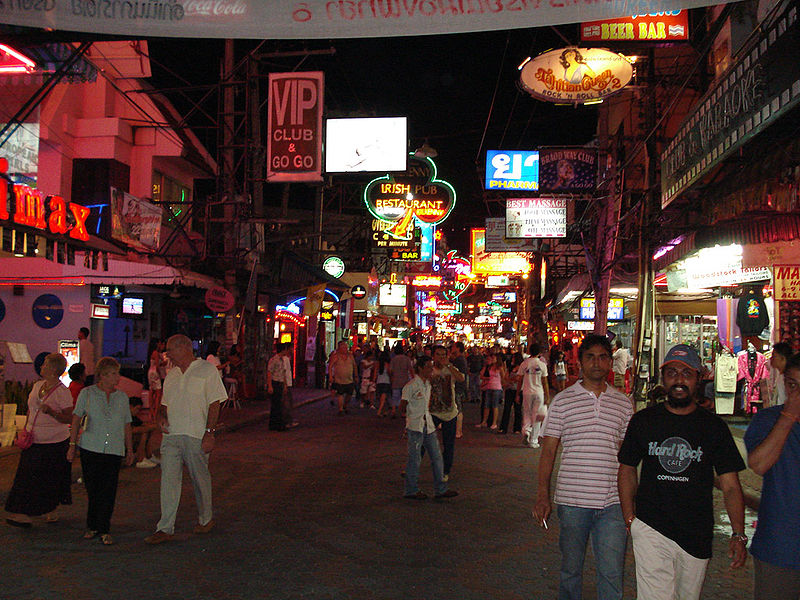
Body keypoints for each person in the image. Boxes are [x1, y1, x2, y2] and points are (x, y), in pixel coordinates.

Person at [618, 344, 747, 600]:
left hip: (696, 533)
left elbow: (731, 486)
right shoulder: (644, 421)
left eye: (686, 373)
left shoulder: (714, 428)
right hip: (651, 528)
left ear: (699, 378)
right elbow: (627, 468)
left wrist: (738, 533)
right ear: (663, 378)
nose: (679, 380)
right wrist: (630, 519)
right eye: (672, 373)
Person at [533, 335, 633, 600]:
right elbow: (549, 452)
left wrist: (630, 504)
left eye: (602, 357)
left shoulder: (623, 404)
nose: (597, 363)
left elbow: (627, 460)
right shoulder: (563, 402)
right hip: (572, 502)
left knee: (611, 575)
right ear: (580, 362)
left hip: (612, 504)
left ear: (610, 362)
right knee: (570, 572)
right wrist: (543, 495)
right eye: (590, 357)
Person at [145, 334, 227, 544]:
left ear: (184, 348)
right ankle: (165, 526)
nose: (168, 354)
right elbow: (164, 404)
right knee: (169, 479)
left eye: (170, 350)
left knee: (200, 478)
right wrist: (160, 417)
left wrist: (210, 432)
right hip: (172, 434)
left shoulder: (206, 370)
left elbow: (214, 403)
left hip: (196, 434)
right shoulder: (171, 375)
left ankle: (205, 518)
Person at [745, 352, 800, 599]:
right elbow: (758, 464)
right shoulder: (768, 420)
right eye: (792, 385)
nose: (797, 393)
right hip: (779, 549)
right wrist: (788, 416)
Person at [68, 357, 134, 545]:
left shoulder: (121, 397)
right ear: (103, 376)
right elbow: (76, 418)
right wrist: (72, 445)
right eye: (113, 373)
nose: (117, 377)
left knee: (109, 489)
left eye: (117, 373)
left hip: (113, 448)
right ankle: (92, 525)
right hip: (91, 447)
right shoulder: (87, 394)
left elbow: (126, 424)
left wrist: (129, 449)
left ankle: (104, 527)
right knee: (93, 488)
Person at [5, 353, 74, 528]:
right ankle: (26, 511)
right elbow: (31, 410)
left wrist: (52, 412)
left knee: (47, 477)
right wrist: (25, 429)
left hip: (54, 442)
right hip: (34, 439)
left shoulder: (62, 392)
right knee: (27, 476)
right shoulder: (37, 386)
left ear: (53, 369)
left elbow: (69, 417)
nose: (41, 367)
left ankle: (41, 509)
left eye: (44, 364)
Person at [401, 355, 458, 500]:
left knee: (437, 458)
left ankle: (440, 489)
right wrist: (408, 423)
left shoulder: (428, 384)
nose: (430, 369)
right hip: (416, 426)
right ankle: (411, 490)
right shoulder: (411, 386)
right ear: (420, 368)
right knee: (414, 459)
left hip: (429, 425)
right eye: (428, 366)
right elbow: (403, 406)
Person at [430, 344, 465, 481]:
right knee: (423, 442)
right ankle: (413, 467)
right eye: (438, 354)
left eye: (444, 355)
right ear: (433, 356)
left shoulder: (451, 369)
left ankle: (445, 471)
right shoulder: (429, 370)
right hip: (432, 411)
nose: (441, 357)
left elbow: (461, 378)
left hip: (449, 413)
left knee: (449, 444)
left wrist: (448, 365)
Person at [518, 343, 550, 448]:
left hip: (527, 391)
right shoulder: (542, 365)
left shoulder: (524, 363)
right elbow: (545, 382)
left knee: (527, 412)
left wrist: (518, 393)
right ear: (540, 353)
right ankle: (534, 440)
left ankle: (526, 430)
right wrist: (547, 396)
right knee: (537, 417)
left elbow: (520, 380)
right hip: (539, 392)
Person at [267, 343, 294, 431]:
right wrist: (270, 385)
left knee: (280, 404)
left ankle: (279, 424)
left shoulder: (282, 360)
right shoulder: (274, 360)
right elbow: (269, 372)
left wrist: (285, 385)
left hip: (281, 382)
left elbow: (284, 373)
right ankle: (275, 424)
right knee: (276, 404)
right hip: (275, 382)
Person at [129, 397, 161, 469]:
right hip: (124, 440)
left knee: (146, 431)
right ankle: (141, 459)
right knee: (144, 433)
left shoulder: (134, 417)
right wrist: (153, 427)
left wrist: (153, 425)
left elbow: (143, 424)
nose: (138, 411)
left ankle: (148, 456)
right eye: (137, 409)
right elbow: (132, 430)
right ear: (130, 406)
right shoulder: (125, 416)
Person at [328, 340, 358, 416]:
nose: (345, 348)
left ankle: (345, 405)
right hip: (339, 380)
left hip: (349, 380)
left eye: (346, 347)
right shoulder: (336, 356)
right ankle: (341, 409)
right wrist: (331, 376)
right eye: (343, 347)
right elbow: (330, 366)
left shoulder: (350, 356)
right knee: (340, 394)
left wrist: (356, 376)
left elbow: (354, 366)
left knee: (349, 395)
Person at [477, 352, 505, 429]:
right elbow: (482, 374)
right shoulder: (489, 367)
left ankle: (494, 423)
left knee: (494, 405)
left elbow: (503, 377)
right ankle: (484, 421)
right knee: (487, 405)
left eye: (493, 358)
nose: (492, 359)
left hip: (497, 388)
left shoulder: (499, 367)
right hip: (489, 387)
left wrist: (503, 386)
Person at [389, 343, 414, 420]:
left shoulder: (394, 359)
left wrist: (391, 377)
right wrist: (413, 378)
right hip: (405, 380)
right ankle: (404, 412)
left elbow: (390, 370)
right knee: (405, 397)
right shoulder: (407, 359)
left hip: (396, 380)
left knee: (395, 396)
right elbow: (410, 369)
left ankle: (393, 411)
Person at [450, 342, 468, 438]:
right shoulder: (460, 359)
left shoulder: (459, 360)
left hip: (458, 386)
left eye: (453, 347)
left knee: (458, 409)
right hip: (460, 386)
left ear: (457, 348)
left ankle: (458, 430)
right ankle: (458, 430)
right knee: (457, 408)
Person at [147, 338, 166, 423]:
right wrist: (160, 373)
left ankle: (151, 411)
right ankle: (155, 412)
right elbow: (157, 365)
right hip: (155, 372)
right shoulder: (156, 353)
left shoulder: (152, 353)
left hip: (150, 371)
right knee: (158, 393)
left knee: (152, 391)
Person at [769, 341, 792, 406]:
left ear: (782, 358)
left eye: (774, 356)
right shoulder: (781, 376)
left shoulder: (788, 378)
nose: (771, 359)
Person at [375, 350, 392, 417]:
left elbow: (375, 374)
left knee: (381, 398)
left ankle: (384, 411)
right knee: (384, 398)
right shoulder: (387, 364)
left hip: (379, 382)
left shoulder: (378, 364)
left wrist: (374, 381)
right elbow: (389, 373)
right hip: (386, 381)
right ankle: (379, 412)